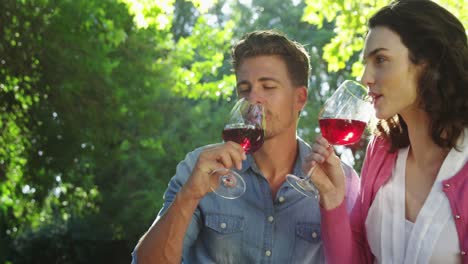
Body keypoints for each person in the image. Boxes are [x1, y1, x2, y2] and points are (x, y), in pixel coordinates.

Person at [131, 30, 360, 264]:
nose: (253, 98)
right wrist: (189, 195)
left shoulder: (341, 182)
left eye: (268, 87)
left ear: (300, 98)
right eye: (244, 89)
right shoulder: (201, 167)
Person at [308, 1, 468, 263]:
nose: (365, 78)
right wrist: (332, 197)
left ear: (426, 63)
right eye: (366, 63)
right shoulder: (381, 151)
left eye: (380, 60)